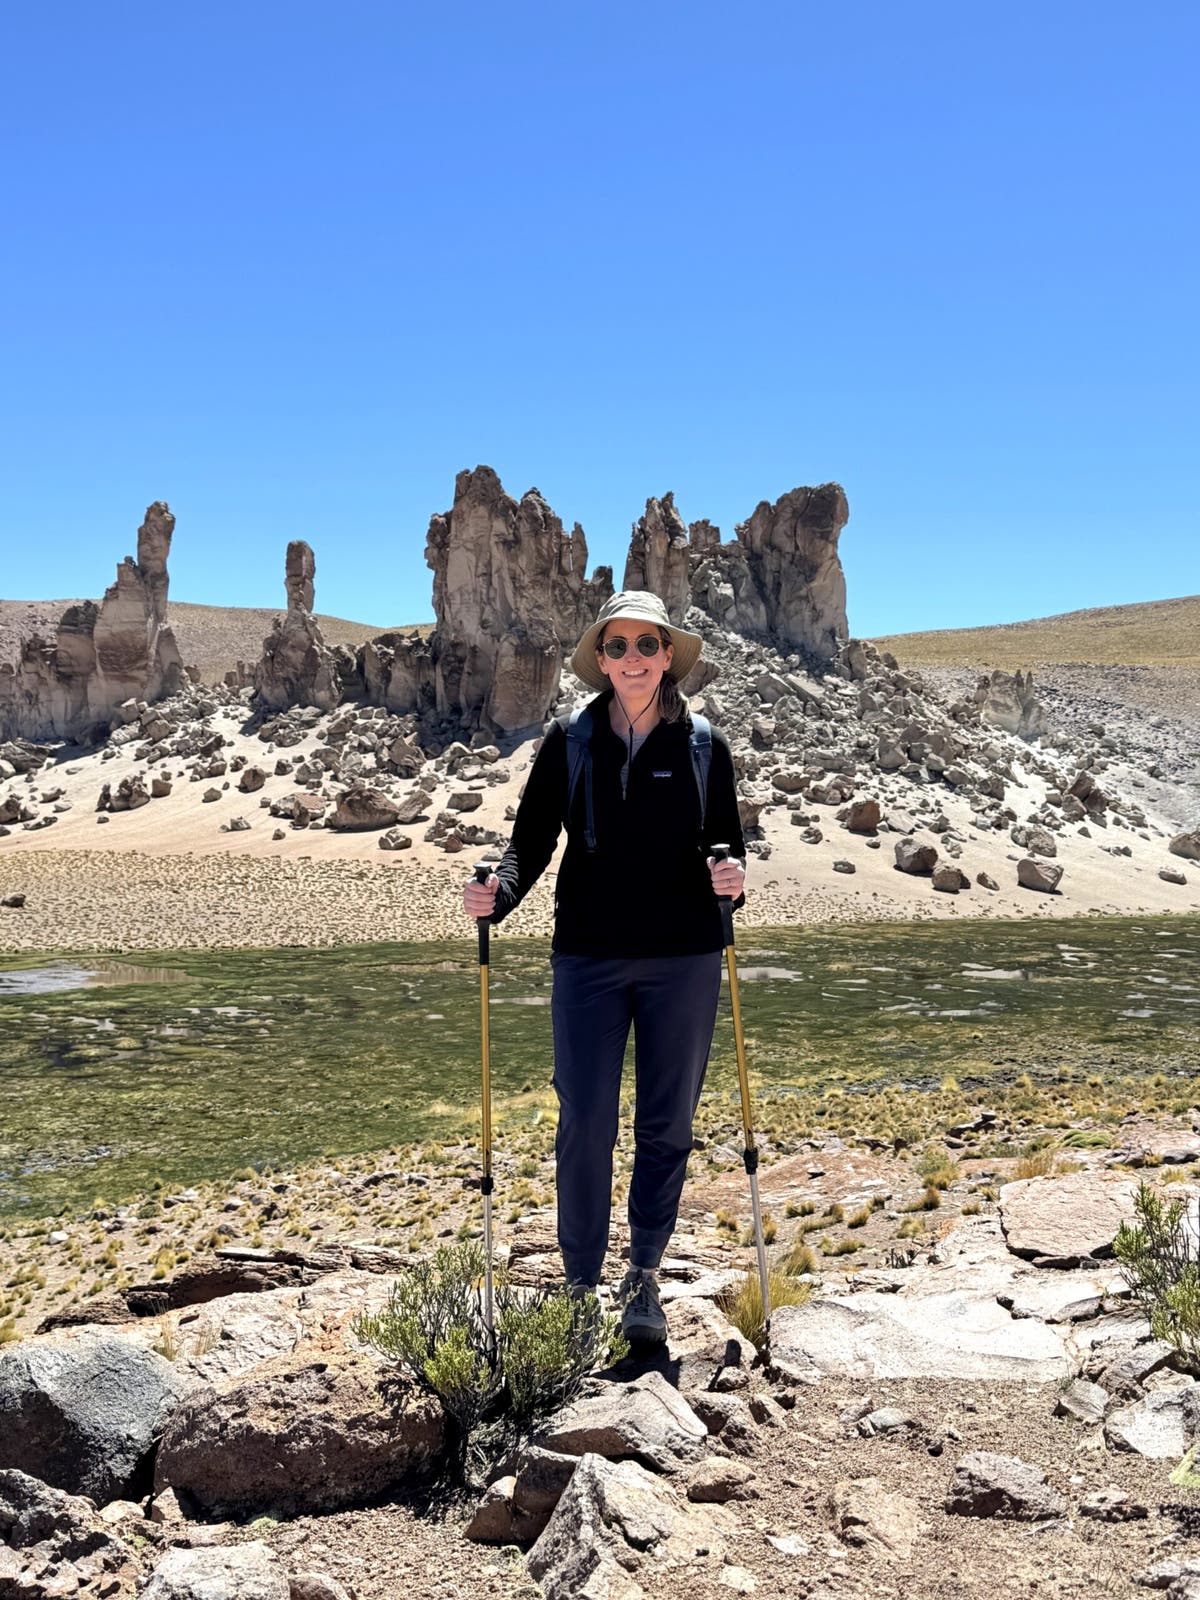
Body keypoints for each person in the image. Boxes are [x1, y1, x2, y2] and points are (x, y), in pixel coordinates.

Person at [462, 591, 746, 1344]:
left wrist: (733, 882)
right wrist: (498, 895)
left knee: (666, 1125)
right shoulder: (569, 742)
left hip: (683, 959)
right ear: (601, 659)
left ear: (667, 656)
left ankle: (644, 1275)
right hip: (586, 957)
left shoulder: (704, 746)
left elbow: (726, 849)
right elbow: (530, 844)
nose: (631, 661)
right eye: (616, 647)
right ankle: (580, 1282)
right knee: (585, 1120)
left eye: (645, 646)